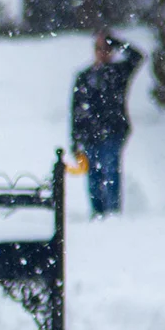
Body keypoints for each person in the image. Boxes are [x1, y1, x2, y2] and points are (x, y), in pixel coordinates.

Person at [70, 30, 144, 216]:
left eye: (106, 49)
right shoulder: (84, 76)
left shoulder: (118, 72)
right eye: (99, 48)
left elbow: (137, 57)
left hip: (113, 131)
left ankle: (113, 213)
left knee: (110, 172)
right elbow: (76, 109)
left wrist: (115, 41)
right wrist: (75, 139)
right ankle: (98, 213)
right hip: (89, 135)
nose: (102, 53)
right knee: (93, 176)